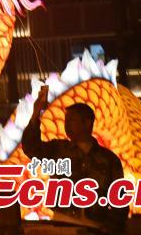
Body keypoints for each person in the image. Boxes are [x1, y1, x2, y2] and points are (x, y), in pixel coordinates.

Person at [21, 86, 127, 234]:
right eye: (66, 120)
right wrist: (35, 114)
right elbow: (30, 147)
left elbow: (120, 199)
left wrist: (109, 228)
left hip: (95, 226)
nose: (66, 124)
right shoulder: (58, 149)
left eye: (71, 120)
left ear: (87, 123)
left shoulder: (109, 159)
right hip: (62, 223)